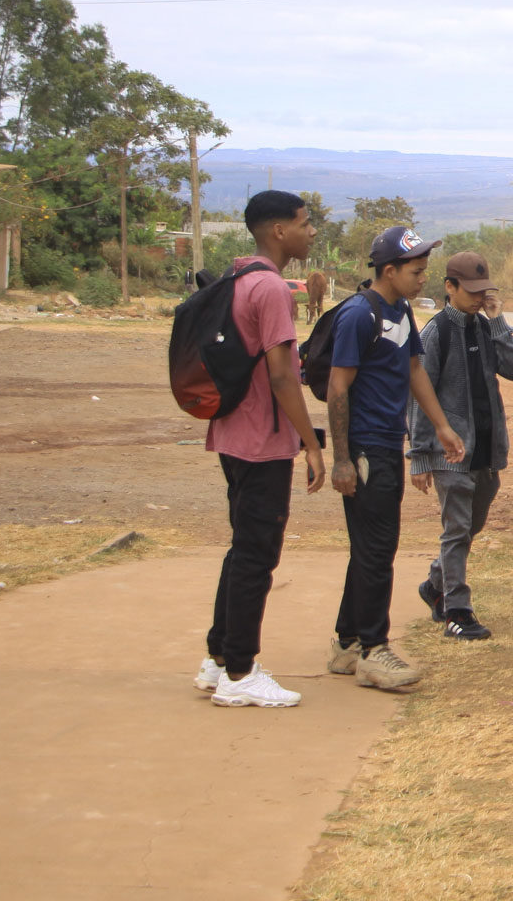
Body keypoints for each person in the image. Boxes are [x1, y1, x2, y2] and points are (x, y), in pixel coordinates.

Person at [194, 191, 328, 708]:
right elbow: (281, 374)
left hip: (232, 432)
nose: (311, 231)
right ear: (278, 231)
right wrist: (308, 443)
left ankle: (219, 658)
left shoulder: (237, 277)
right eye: (305, 222)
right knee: (257, 555)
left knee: (242, 549)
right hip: (262, 440)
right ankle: (240, 673)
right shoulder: (272, 290)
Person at [325, 226, 464, 690]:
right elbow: (337, 387)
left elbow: (412, 368)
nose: (423, 278)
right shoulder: (358, 317)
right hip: (366, 449)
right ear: (389, 270)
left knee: (369, 548)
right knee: (377, 550)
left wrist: (441, 426)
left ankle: (347, 644)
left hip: (388, 442)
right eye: (416, 270)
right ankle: (373, 650)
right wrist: (342, 459)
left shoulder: (400, 311)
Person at [410, 252, 513, 641]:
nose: (478, 298)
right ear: (449, 287)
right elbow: (418, 395)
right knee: (457, 528)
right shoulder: (435, 333)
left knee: (471, 526)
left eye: (484, 292)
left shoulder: (485, 327)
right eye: (471, 292)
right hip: (451, 453)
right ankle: (457, 611)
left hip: (487, 452)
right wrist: (420, 456)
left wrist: (498, 322)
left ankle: (434, 584)